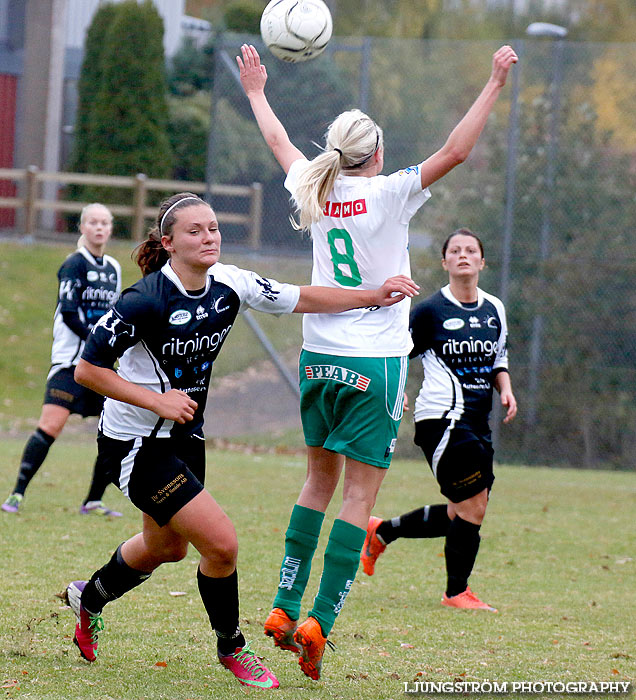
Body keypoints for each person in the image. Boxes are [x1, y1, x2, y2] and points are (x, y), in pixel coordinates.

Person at [236, 43, 518, 679]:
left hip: (318, 357)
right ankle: (319, 623)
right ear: (378, 153)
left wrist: (256, 90)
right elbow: (457, 151)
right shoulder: (391, 193)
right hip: (376, 363)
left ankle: (283, 605)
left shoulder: (312, 185)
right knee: (359, 496)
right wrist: (495, 82)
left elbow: (280, 140)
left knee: (316, 482)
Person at [64, 192, 418, 691]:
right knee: (223, 546)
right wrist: (156, 401)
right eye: (195, 231)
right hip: (136, 445)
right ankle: (233, 647)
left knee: (167, 548)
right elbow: (87, 369)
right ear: (168, 243)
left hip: (185, 438)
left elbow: (302, 297)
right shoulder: (143, 300)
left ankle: (90, 597)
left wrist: (371, 294)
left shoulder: (230, 282)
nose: (209, 237)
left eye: (213, 228)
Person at [361, 228, 517, 613]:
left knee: (463, 509)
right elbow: (397, 352)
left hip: (479, 421)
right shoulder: (431, 311)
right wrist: (399, 389)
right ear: (445, 262)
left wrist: (506, 388)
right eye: (455, 251)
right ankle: (456, 592)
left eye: (471, 250)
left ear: (482, 262)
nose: (463, 256)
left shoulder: (494, 307)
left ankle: (382, 531)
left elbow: (499, 356)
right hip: (442, 419)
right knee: (472, 507)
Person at [2, 203, 123, 516]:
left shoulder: (113, 267)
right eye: (92, 222)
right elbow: (69, 313)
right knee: (50, 426)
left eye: (104, 223)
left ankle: (93, 500)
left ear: (110, 229)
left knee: (114, 432)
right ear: (82, 228)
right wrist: (96, 341)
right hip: (71, 362)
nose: (98, 228)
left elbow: (114, 314)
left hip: (100, 365)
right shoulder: (74, 264)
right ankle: (16, 494)